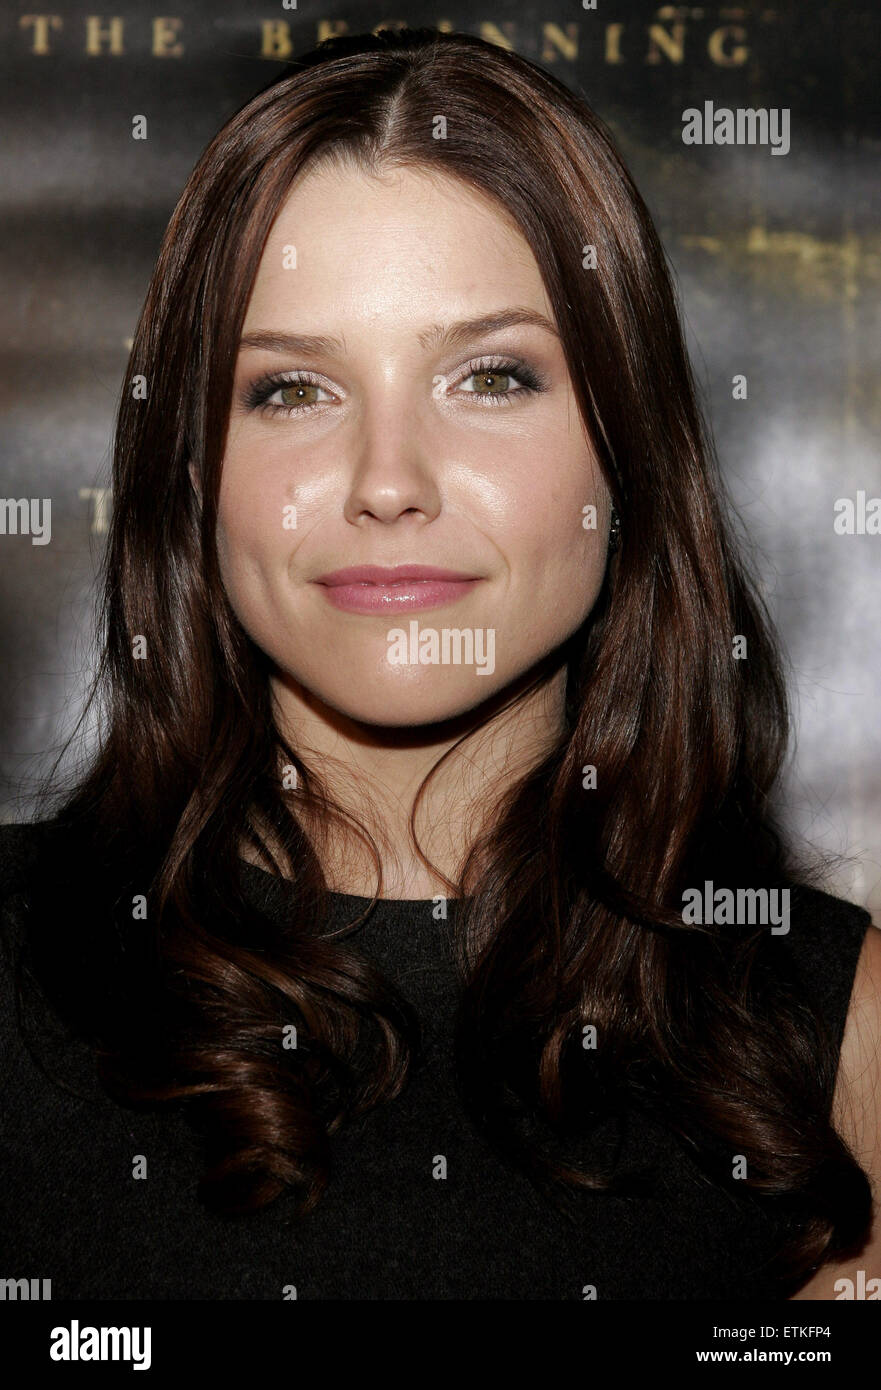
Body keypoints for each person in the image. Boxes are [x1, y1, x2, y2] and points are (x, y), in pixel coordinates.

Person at [1, 26, 878, 1301]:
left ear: (626, 451)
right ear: (193, 478)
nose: (388, 483)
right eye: (291, 390)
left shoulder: (835, 1031)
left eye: (488, 375)